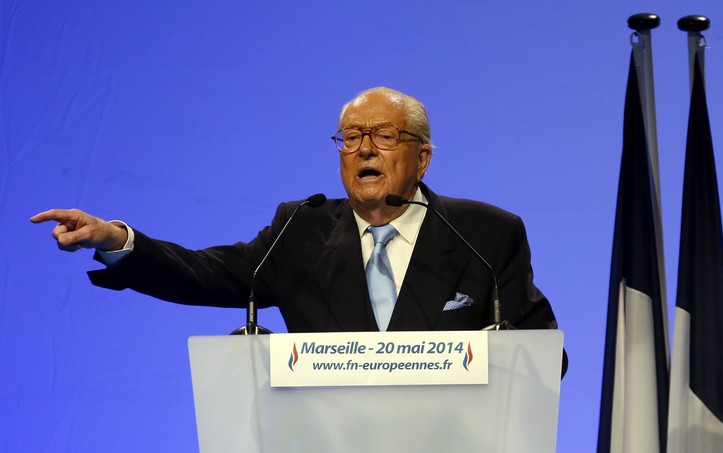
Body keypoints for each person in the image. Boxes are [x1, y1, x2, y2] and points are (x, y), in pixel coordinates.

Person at [31, 87, 566, 372]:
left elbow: (546, 354)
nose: (363, 149)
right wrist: (117, 239)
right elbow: (209, 274)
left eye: (382, 135)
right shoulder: (301, 229)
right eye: (350, 136)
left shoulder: (485, 234)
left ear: (422, 158)